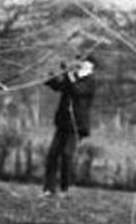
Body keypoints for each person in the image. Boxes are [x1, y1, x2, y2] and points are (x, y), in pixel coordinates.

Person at [42, 55, 97, 198]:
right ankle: (49, 189)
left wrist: (68, 73)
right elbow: (59, 86)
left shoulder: (90, 81)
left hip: (76, 126)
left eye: (83, 61)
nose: (79, 63)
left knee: (67, 155)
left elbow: (77, 90)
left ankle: (65, 189)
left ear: (90, 66)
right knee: (53, 154)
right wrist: (50, 76)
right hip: (63, 123)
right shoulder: (73, 77)